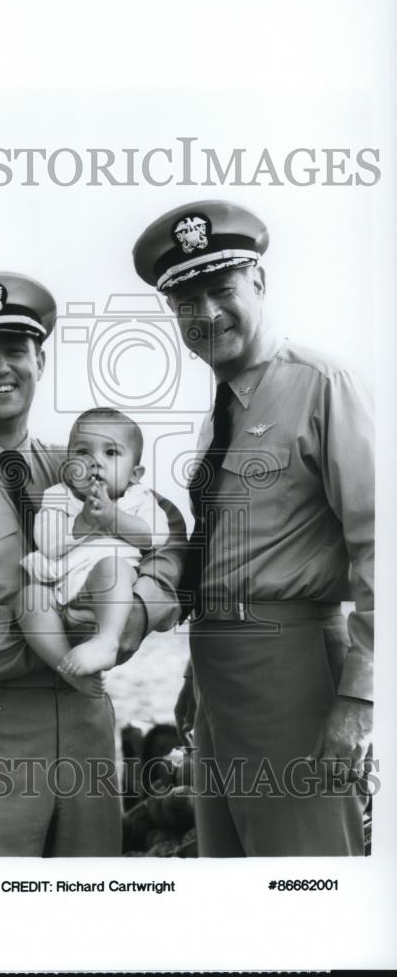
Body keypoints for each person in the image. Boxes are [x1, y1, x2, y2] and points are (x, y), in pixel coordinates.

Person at [0, 271, 186, 856]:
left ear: (40, 361)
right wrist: (70, 634)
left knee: (86, 914)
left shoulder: (79, 460)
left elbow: (168, 537)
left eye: (16, 350)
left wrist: (137, 613)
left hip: (86, 722)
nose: (1, 367)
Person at [133, 200, 374, 856]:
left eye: (221, 289)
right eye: (186, 301)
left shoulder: (322, 384)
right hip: (217, 676)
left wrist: (361, 698)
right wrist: (195, 684)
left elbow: (382, 546)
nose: (206, 314)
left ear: (259, 284)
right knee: (233, 886)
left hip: (292, 671)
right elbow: (226, 553)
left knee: (304, 888)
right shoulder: (220, 416)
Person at [19, 407, 169, 681]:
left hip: (106, 598)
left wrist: (114, 518)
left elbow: (157, 536)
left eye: (111, 453)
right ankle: (64, 665)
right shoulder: (58, 496)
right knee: (28, 599)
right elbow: (48, 543)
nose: (95, 461)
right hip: (60, 590)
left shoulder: (139, 498)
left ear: (135, 474)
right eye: (83, 452)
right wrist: (83, 524)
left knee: (112, 567)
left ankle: (106, 642)